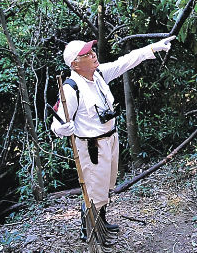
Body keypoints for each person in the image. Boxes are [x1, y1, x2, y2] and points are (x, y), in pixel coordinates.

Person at [51, 37, 174, 240]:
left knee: (106, 184)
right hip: (92, 147)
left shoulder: (98, 74)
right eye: (87, 54)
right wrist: (63, 128)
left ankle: (102, 222)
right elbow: (57, 124)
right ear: (75, 64)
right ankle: (90, 230)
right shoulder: (70, 89)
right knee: (94, 189)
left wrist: (152, 48)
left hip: (110, 139)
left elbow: (125, 61)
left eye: (92, 52)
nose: (93, 55)